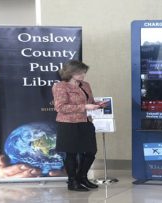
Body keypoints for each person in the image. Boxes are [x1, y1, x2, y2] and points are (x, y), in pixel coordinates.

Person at [52, 60, 101, 191]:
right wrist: (84, 106)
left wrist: (97, 104)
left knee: (91, 151)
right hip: (68, 124)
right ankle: (72, 182)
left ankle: (82, 177)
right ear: (70, 72)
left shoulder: (85, 85)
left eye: (84, 72)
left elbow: (89, 101)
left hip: (85, 121)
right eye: (80, 72)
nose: (83, 75)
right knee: (71, 154)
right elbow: (61, 107)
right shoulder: (60, 86)